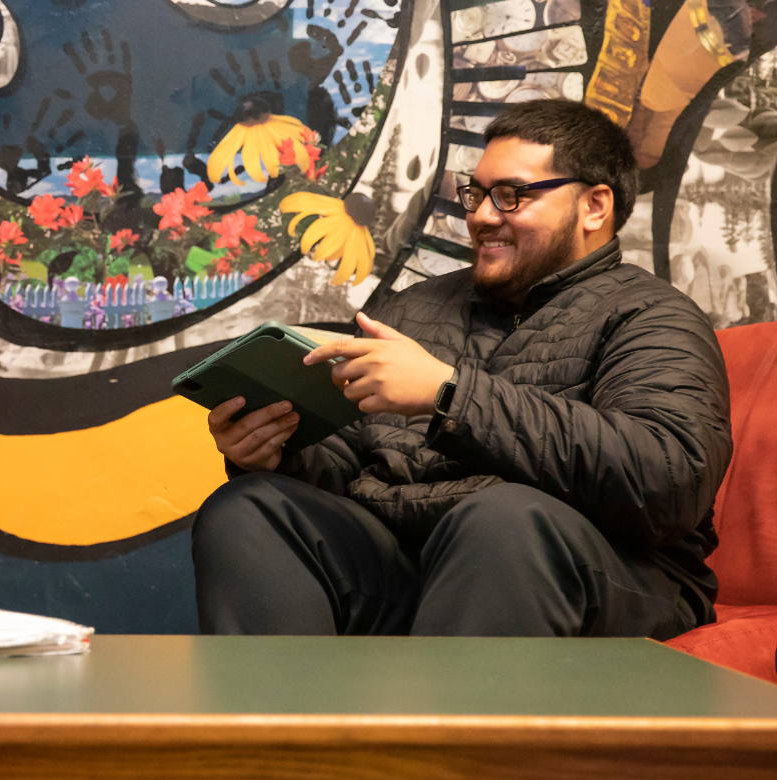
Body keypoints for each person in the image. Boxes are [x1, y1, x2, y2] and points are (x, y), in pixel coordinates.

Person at [193, 99, 732, 640]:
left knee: (504, 520)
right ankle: (280, 725)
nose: (480, 215)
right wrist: (276, 451)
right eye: (476, 194)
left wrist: (449, 394)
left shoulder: (653, 316)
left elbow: (669, 480)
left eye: (511, 195)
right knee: (251, 506)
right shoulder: (411, 309)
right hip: (419, 566)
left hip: (602, 576)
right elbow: (347, 468)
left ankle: (441, 727)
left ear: (594, 206)